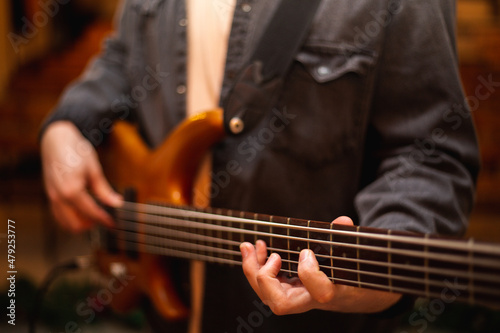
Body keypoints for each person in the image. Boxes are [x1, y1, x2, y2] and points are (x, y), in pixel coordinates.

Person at [39, 0, 480, 332]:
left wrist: (366, 287)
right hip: (166, 313)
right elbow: (122, 58)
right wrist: (66, 126)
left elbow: (430, 154)